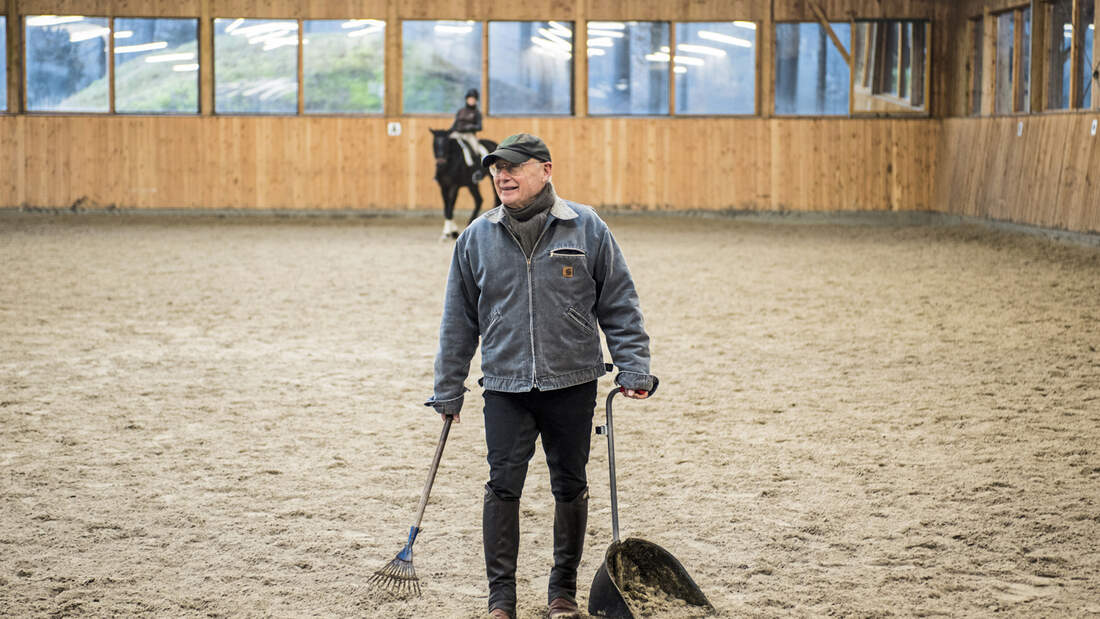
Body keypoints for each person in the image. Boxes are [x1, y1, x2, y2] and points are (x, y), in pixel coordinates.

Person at [425, 133, 657, 619]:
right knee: (502, 486)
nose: (501, 175)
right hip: (505, 385)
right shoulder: (476, 236)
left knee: (570, 486)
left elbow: (619, 302)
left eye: (512, 167)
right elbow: (458, 320)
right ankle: (501, 600)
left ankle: (562, 594)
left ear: (545, 170)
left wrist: (633, 364)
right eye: (496, 169)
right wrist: (448, 388)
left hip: (572, 382)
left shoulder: (586, 227)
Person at [449, 88, 490, 183]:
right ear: (467, 99)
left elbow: (479, 127)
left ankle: (476, 170)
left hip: (469, 135)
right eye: (470, 99)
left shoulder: (477, 113)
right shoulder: (461, 111)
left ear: (476, 101)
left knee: (475, 150)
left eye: (473, 99)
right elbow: (455, 124)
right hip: (458, 133)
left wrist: (469, 127)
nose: (471, 101)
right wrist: (450, 132)